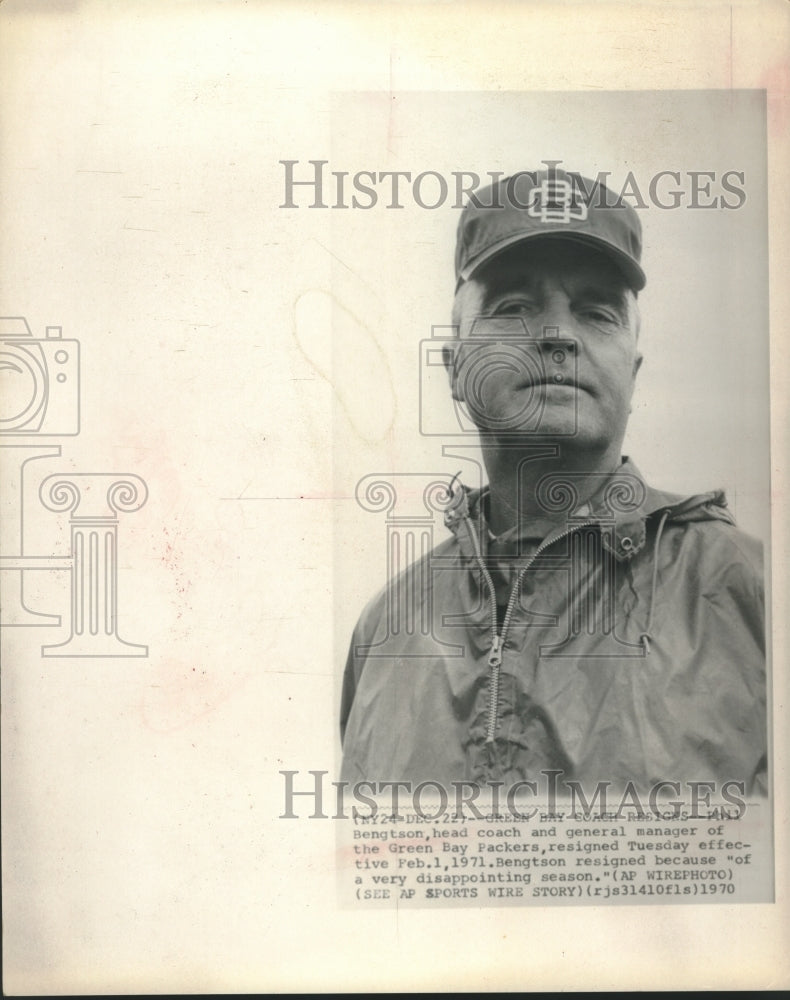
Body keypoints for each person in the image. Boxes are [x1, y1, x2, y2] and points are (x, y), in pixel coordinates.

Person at [340, 167, 766, 797]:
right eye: (513, 306)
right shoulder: (383, 630)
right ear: (454, 366)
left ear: (634, 370)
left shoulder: (745, 587)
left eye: (597, 312)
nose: (559, 335)